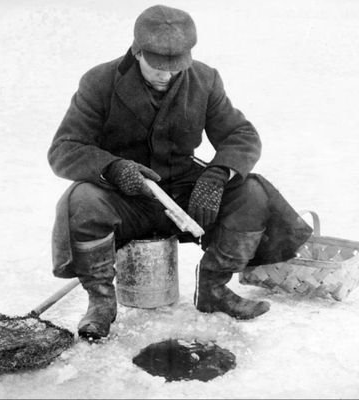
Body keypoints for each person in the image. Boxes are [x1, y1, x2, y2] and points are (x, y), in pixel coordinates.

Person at [48, 5, 312, 342]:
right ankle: (101, 304)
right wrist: (113, 168)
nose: (167, 75)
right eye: (158, 65)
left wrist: (217, 176)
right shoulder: (100, 82)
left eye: (176, 67)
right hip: (126, 198)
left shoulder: (205, 79)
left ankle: (213, 288)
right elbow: (65, 148)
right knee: (81, 200)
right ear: (137, 51)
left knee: (253, 192)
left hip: (186, 192)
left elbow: (241, 135)